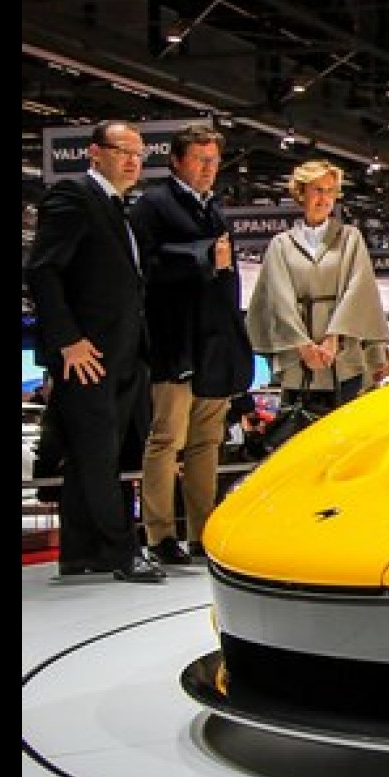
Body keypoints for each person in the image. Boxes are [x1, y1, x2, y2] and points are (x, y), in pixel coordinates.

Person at [22, 120, 162, 583]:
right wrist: (68, 340)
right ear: (94, 152)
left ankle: (82, 553)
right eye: (123, 151)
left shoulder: (119, 207)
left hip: (122, 354)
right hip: (87, 355)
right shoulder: (74, 195)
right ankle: (121, 553)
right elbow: (42, 270)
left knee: (97, 456)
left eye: (139, 154)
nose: (133, 161)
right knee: (98, 455)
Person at [128, 123, 256, 567]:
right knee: (166, 438)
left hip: (214, 342)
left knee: (207, 442)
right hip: (174, 341)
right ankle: (160, 534)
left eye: (214, 161)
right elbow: (145, 267)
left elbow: (227, 281)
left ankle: (202, 533)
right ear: (177, 161)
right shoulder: (153, 205)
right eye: (200, 160)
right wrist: (202, 256)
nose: (208, 168)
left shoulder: (214, 209)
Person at [245, 160, 389, 418]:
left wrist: (333, 339)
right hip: (297, 360)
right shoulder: (281, 245)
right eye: (318, 190)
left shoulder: (350, 238)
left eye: (330, 191)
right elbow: (278, 298)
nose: (325, 198)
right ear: (301, 193)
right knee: (300, 430)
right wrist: (303, 346)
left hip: (343, 357)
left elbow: (358, 290)